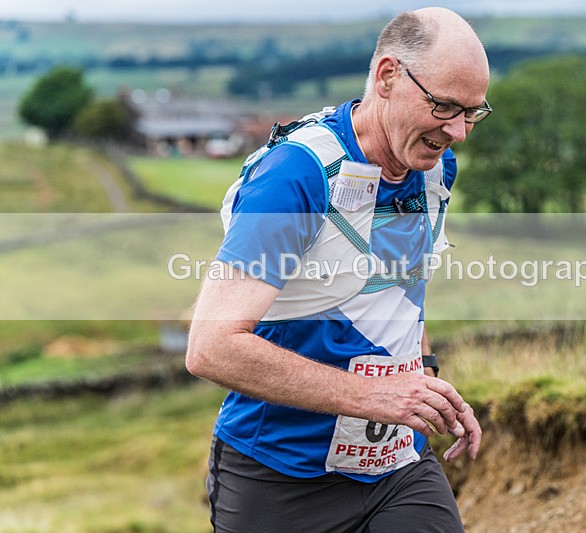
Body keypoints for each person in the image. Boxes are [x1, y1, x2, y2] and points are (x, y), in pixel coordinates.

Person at [186, 7, 491, 532]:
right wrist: (377, 395)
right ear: (388, 76)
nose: (459, 131)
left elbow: (404, 290)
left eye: (473, 112)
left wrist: (425, 380)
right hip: (280, 476)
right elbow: (210, 347)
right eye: (444, 106)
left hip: (397, 466)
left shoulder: (434, 165)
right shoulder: (296, 174)